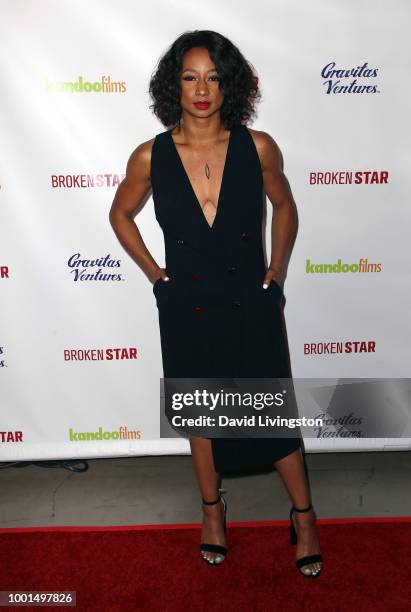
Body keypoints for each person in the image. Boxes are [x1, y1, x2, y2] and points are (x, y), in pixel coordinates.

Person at [109, 30, 323, 578]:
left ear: (228, 84)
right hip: (186, 304)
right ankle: (212, 514)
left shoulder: (258, 147)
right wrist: (158, 275)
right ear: (172, 85)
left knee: (272, 411)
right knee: (201, 414)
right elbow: (120, 216)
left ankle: (303, 517)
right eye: (189, 76)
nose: (201, 89)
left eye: (212, 76)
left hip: (250, 299)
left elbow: (285, 204)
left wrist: (275, 269)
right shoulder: (149, 156)